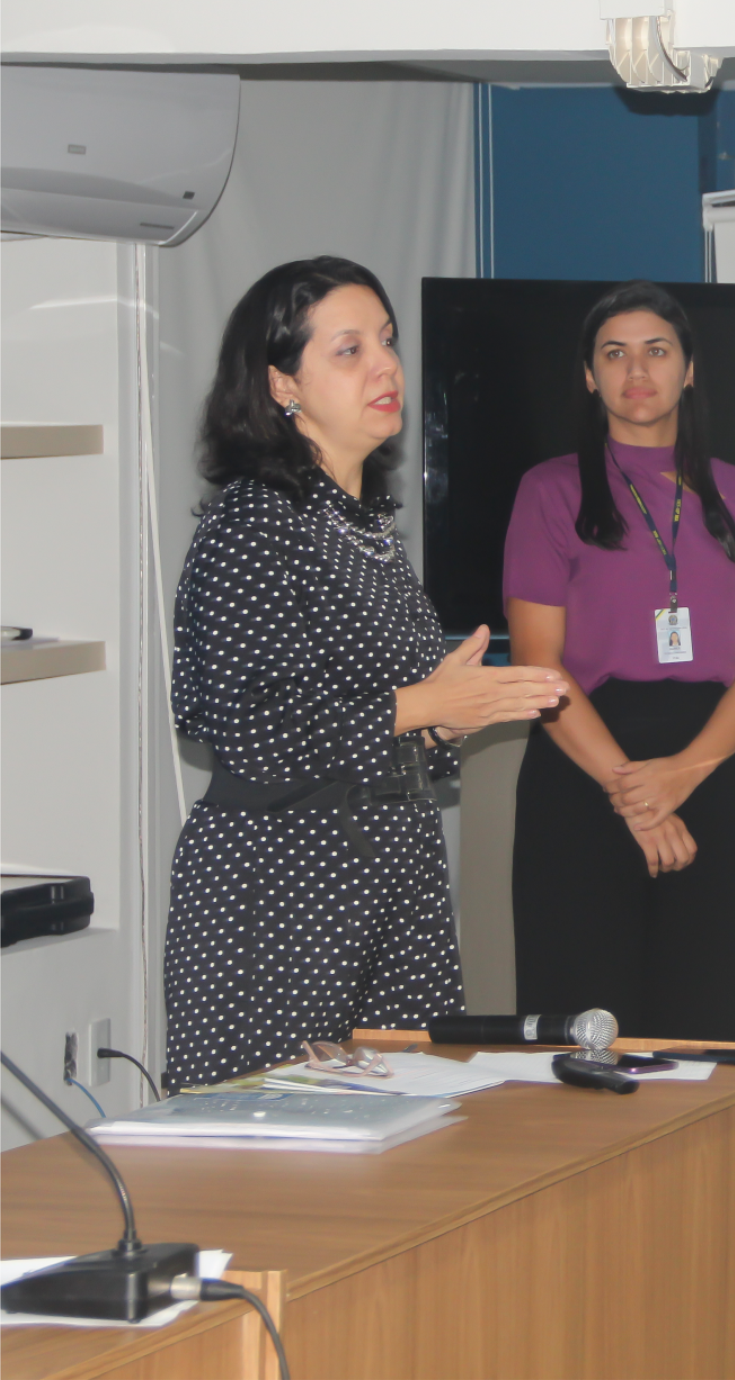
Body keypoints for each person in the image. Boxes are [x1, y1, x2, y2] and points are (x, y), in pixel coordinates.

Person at [165, 257, 568, 1090]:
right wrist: (422, 700)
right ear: (283, 385)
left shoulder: (367, 533)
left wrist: (448, 720)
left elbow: (378, 719)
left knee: (404, 1144)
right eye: (349, 350)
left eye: (386, 341)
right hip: (280, 881)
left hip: (393, 866)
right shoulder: (253, 526)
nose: (387, 365)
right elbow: (252, 727)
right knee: (280, 1156)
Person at [504, 280, 735, 1041]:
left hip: (709, 765)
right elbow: (539, 663)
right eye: (614, 354)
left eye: (657, 351)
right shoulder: (550, 491)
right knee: (583, 1017)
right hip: (583, 764)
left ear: (688, 369)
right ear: (589, 377)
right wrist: (633, 793)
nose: (637, 371)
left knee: (702, 1014)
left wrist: (683, 774)